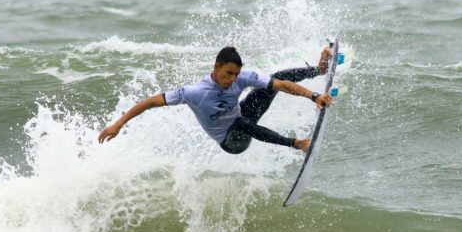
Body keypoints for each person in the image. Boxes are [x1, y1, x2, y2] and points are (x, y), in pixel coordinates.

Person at [98, 46, 333, 154]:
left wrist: (312, 96)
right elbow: (149, 102)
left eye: (236, 74)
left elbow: (280, 85)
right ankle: (297, 144)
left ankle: (318, 70)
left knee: (276, 78)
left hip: (243, 117)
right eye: (228, 73)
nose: (232, 79)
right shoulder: (194, 92)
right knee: (240, 124)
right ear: (216, 67)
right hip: (231, 142)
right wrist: (119, 124)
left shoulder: (240, 78)